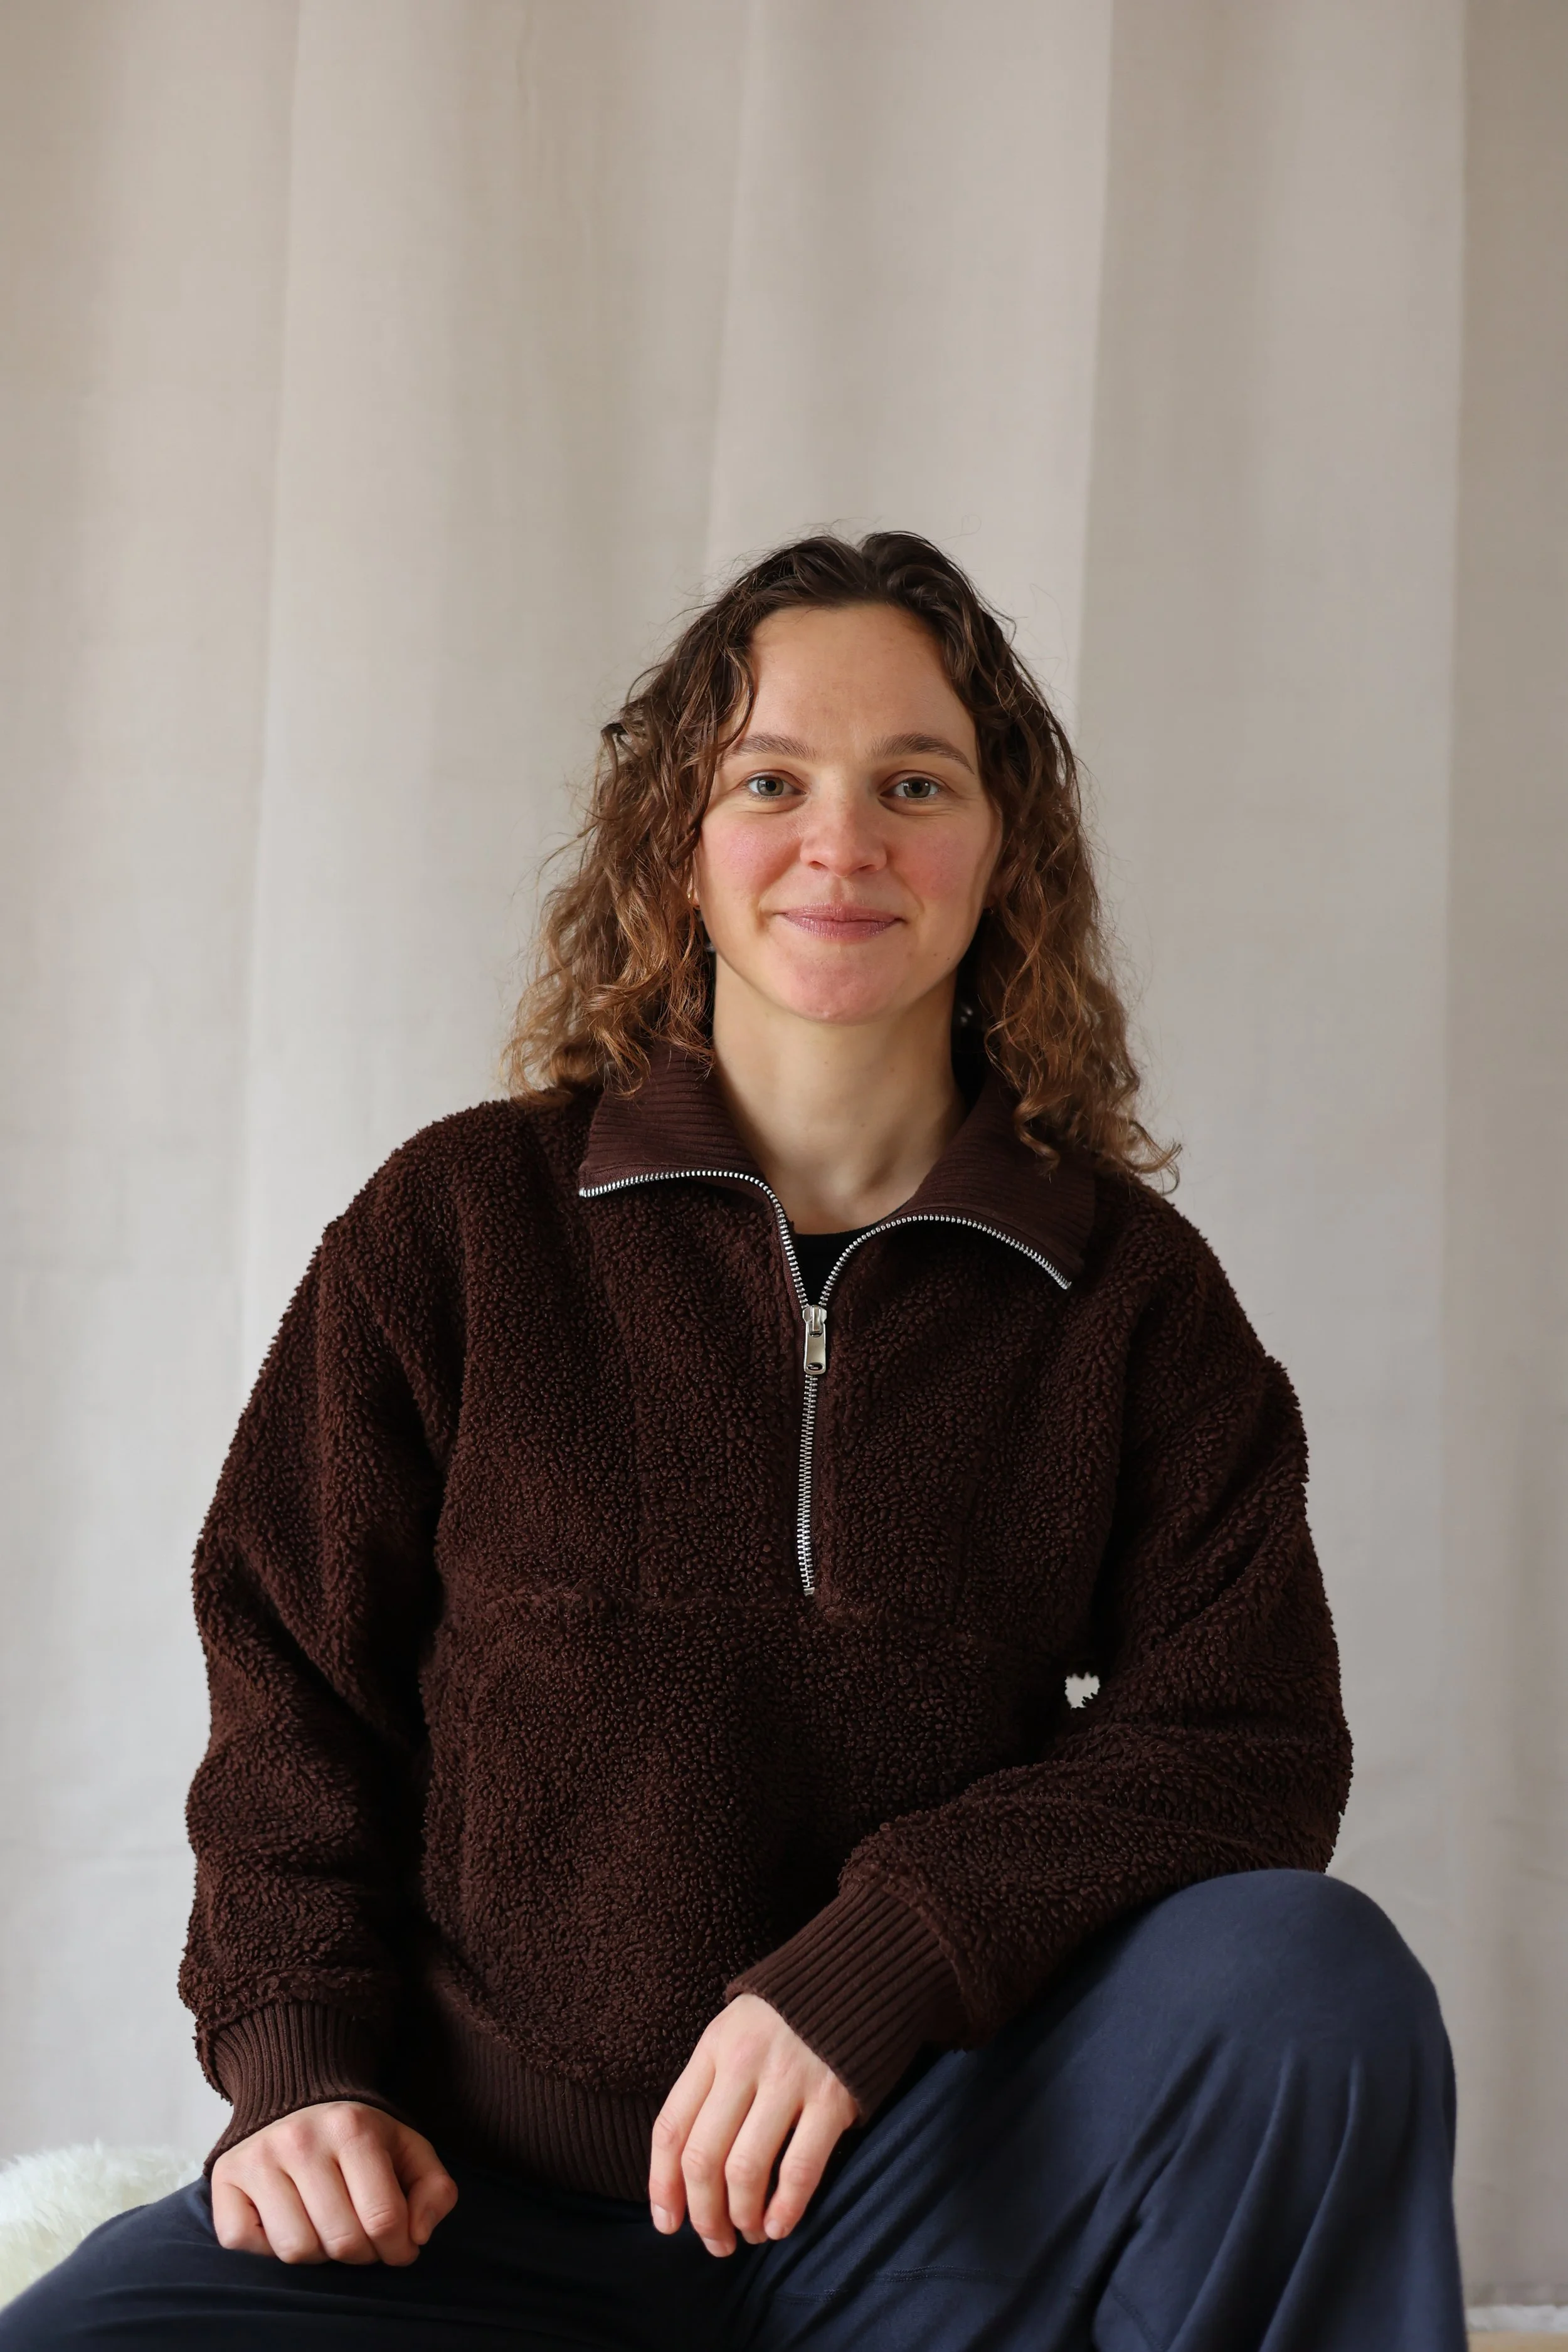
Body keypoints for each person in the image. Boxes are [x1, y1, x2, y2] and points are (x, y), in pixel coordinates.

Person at [1, 533, 1468, 2349]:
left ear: (998, 848)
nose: (839, 842)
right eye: (770, 779)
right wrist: (296, 2062)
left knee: (1312, 1979)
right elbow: (290, 1683)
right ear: (675, 844)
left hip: (935, 2209)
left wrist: (884, 1958)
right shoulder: (456, 1228)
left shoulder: (1128, 1299)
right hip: (473, 2225)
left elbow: (1240, 1740)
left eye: (910, 783)